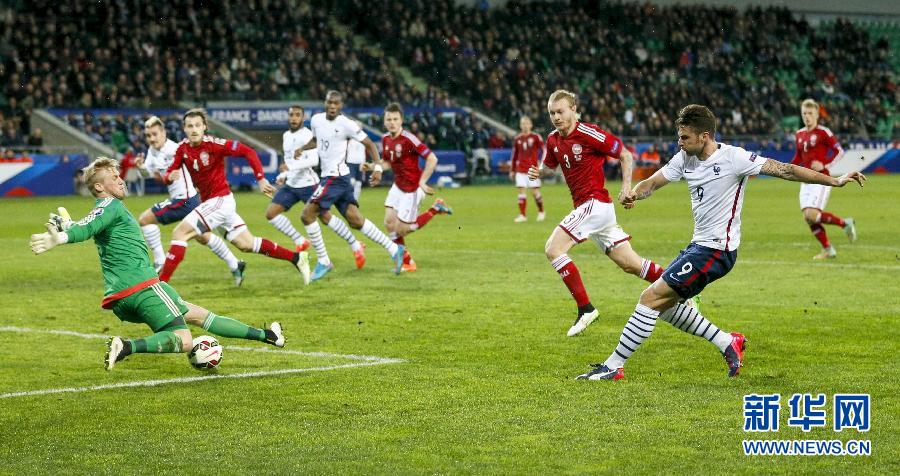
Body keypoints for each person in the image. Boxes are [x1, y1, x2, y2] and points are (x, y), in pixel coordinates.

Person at [577, 104, 866, 381]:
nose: (679, 142)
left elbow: (785, 170)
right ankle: (727, 342)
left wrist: (835, 181)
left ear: (704, 137)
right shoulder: (684, 158)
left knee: (649, 299)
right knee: (663, 307)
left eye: (684, 137)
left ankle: (613, 366)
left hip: (717, 251)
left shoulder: (734, 158)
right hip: (698, 247)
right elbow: (652, 183)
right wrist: (634, 193)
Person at [29, 157, 286, 371]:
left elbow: (87, 227)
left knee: (198, 314)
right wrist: (62, 237)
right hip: (143, 287)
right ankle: (126, 346)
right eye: (113, 177)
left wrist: (67, 228)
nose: (121, 179)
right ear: (99, 187)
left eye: (119, 175)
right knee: (185, 339)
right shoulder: (110, 205)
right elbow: (86, 229)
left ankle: (268, 336)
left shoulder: (105, 209)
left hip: (122, 296)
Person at [527, 90, 668, 337]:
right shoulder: (552, 140)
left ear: (573, 109)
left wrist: (626, 187)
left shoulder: (589, 133)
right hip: (592, 211)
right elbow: (550, 167)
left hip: (595, 204)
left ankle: (586, 309)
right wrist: (540, 172)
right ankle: (682, 285)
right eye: (552, 113)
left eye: (560, 111)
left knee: (553, 249)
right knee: (630, 264)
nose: (556, 117)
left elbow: (624, 154)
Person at [157, 108, 310, 284]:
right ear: (184, 129)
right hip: (213, 204)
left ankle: (161, 285)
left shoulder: (214, 144)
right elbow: (170, 174)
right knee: (246, 244)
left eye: (198, 125)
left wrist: (260, 179)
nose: (194, 129)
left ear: (204, 127)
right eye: (190, 126)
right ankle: (297, 258)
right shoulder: (182, 149)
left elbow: (248, 152)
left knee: (180, 233)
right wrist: (169, 177)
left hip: (220, 201)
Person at [299, 90, 405, 281]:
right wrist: (302, 148)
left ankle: (323, 261)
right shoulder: (316, 120)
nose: (332, 106)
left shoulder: (347, 124)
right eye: (329, 103)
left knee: (307, 215)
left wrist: (378, 169)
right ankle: (394, 249)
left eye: (336, 104)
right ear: (325, 103)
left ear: (341, 106)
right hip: (336, 178)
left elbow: (370, 144)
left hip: (336, 178)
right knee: (355, 220)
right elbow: (316, 140)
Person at [135, 116, 245, 284]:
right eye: (148, 135)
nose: (152, 139)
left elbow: (195, 164)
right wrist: (141, 167)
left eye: (155, 134)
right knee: (202, 237)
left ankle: (160, 261)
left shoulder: (175, 149)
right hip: (186, 200)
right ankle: (235, 263)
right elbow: (149, 174)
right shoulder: (152, 151)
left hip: (185, 200)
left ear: (164, 133)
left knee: (145, 219)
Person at [265, 106, 365, 267]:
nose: (294, 118)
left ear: (303, 118)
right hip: (291, 185)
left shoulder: (307, 135)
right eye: (291, 115)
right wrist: (284, 175)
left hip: (309, 185)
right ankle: (300, 240)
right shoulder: (286, 135)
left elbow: (313, 161)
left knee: (326, 219)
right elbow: (289, 160)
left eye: (297, 115)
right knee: (271, 214)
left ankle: (355, 244)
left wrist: (289, 168)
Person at [379, 102, 453, 272]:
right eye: (388, 119)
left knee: (402, 230)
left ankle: (434, 209)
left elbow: (432, 158)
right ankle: (407, 261)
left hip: (412, 189)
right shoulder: (385, 139)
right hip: (398, 186)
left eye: (395, 119)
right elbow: (387, 163)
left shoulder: (409, 139)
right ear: (384, 121)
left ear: (401, 121)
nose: (391, 122)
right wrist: (373, 167)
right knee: (389, 223)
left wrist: (422, 181)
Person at [792, 99, 857, 260]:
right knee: (807, 217)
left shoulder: (823, 132)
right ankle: (828, 249)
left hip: (821, 179)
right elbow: (799, 157)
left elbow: (839, 151)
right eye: (804, 113)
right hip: (805, 180)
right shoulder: (799, 134)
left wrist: (824, 163)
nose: (807, 117)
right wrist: (785, 168)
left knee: (812, 215)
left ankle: (845, 223)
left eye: (810, 113)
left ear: (817, 115)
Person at [509, 116, 545, 223]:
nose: (525, 125)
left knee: (535, 192)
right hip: (520, 170)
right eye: (523, 123)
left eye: (527, 123)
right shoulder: (517, 139)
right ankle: (523, 215)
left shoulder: (536, 137)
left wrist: (541, 164)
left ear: (531, 125)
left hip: (532, 169)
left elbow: (544, 150)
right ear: (520, 125)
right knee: (521, 191)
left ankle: (541, 212)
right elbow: (514, 155)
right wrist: (512, 170)